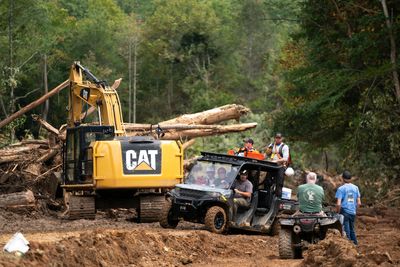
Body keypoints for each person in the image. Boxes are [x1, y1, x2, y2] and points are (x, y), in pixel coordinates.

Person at [336, 170, 361, 245]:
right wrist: (354, 210)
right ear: (350, 178)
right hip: (352, 212)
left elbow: (338, 204)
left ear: (342, 178)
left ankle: (349, 248)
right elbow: (359, 203)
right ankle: (355, 245)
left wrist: (338, 212)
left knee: (346, 231)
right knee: (352, 229)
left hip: (344, 212)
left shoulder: (341, 189)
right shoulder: (356, 188)